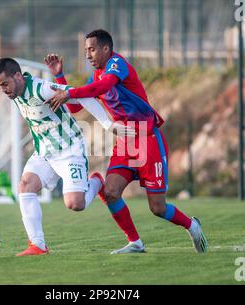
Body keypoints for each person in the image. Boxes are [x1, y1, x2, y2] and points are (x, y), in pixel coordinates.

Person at [0, 48, 135, 256]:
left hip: (69, 151)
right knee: (25, 186)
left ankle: (96, 181)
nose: (3, 90)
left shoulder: (43, 88)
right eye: (0, 85)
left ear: (17, 75)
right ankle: (38, 245)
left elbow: (85, 98)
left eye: (5, 84)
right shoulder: (12, 88)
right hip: (44, 152)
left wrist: (107, 124)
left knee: (75, 204)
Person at [45, 29, 208, 254]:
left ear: (106, 49)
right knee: (111, 192)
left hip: (147, 139)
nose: (88, 55)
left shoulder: (116, 64)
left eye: (92, 50)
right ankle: (135, 242)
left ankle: (192, 225)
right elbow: (74, 106)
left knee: (158, 208)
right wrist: (59, 77)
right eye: (85, 51)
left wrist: (71, 92)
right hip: (125, 141)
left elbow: (103, 87)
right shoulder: (95, 77)